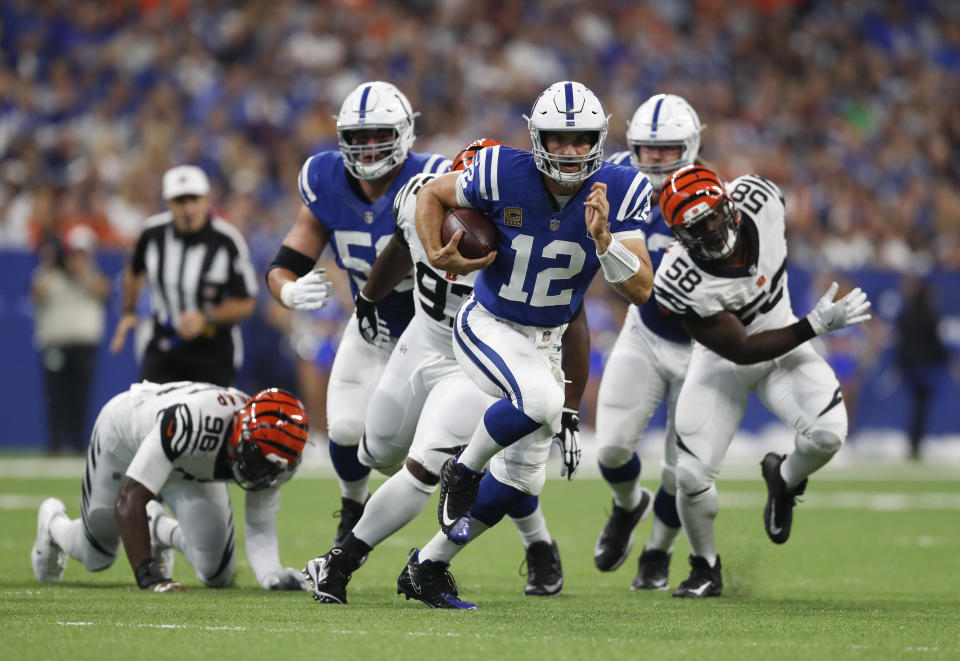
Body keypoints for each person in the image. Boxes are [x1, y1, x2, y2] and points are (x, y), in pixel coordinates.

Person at [396, 81, 654, 609]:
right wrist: (434, 250)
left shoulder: (623, 189)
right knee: (537, 402)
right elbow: (432, 194)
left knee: (520, 483)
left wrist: (605, 243)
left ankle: (427, 565)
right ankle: (462, 471)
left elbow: (641, 289)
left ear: (599, 139)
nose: (570, 150)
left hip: (548, 339)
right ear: (537, 138)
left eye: (581, 139)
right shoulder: (501, 172)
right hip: (489, 323)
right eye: (558, 139)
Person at [303, 139, 588, 604]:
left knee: (426, 468)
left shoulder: (528, 231)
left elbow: (573, 315)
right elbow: (400, 245)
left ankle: (340, 563)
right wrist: (369, 299)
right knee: (375, 452)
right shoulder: (421, 197)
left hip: (475, 357)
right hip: (420, 340)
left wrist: (572, 403)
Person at [653, 165, 871, 597]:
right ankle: (704, 567)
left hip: (784, 343)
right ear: (680, 238)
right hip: (722, 364)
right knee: (691, 475)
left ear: (730, 204)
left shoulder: (762, 198)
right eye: (698, 227)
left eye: (715, 214)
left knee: (828, 435)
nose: (713, 230)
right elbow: (740, 349)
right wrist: (813, 326)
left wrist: (804, 328)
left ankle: (784, 480)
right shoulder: (679, 280)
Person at [265, 81, 450, 546]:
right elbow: (284, 264)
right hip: (372, 328)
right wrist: (288, 293)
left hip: (434, 334)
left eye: (379, 135)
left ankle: (530, 540)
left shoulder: (436, 180)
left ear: (406, 133)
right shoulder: (325, 181)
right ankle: (352, 503)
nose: (369, 147)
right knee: (345, 430)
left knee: (440, 449)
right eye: (358, 136)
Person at [30, 382, 310, 592]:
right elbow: (129, 500)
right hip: (126, 440)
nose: (262, 473)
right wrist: (149, 576)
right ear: (239, 432)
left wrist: (273, 576)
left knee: (216, 573)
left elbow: (260, 528)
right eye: (256, 461)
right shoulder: (194, 424)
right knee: (97, 554)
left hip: (188, 462)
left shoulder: (269, 448)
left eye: (271, 467)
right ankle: (52, 523)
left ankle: (156, 527)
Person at [591, 94, 705, 588]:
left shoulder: (714, 196)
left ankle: (658, 552)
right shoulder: (614, 175)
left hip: (704, 347)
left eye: (667, 149)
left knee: (682, 472)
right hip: (645, 327)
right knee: (613, 448)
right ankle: (627, 504)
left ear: (692, 146)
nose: (655, 158)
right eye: (646, 148)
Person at [109, 165, 258, 387]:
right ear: (168, 202)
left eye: (194, 199)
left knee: (211, 420)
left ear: (207, 199)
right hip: (165, 344)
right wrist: (129, 310)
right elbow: (134, 269)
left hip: (213, 349)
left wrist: (205, 317)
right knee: (149, 413)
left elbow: (246, 303)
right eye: (180, 201)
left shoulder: (227, 241)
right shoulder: (151, 234)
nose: (188, 208)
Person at [31, 224, 110, 454]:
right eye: (74, 253)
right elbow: (37, 292)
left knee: (80, 398)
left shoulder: (94, 274)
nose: (78, 258)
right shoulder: (50, 274)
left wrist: (82, 272)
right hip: (55, 343)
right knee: (56, 397)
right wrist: (49, 264)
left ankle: (78, 445)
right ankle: (54, 445)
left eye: (82, 253)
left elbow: (102, 291)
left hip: (84, 345)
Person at [895, 276, 949, 460]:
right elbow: (936, 343)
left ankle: (914, 442)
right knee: (922, 407)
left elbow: (901, 344)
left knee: (916, 407)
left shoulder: (906, 314)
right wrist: (946, 361)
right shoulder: (930, 316)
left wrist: (899, 364)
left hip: (911, 366)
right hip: (925, 368)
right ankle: (916, 443)